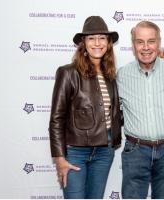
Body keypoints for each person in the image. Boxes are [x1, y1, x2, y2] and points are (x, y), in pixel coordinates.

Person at [49, 16, 122, 199]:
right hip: (76, 152)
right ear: (83, 43)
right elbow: (56, 119)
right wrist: (59, 158)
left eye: (102, 38)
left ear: (108, 43)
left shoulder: (110, 75)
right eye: (91, 38)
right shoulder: (67, 73)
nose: (97, 43)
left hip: (105, 151)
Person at [117, 21, 164, 199]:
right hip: (135, 150)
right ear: (133, 45)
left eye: (151, 41)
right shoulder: (122, 75)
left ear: (159, 43)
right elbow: (111, 112)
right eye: (140, 41)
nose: (146, 47)